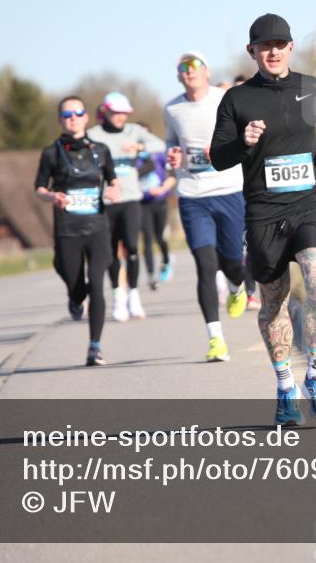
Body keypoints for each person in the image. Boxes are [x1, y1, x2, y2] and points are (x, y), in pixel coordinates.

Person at [210, 13, 316, 425]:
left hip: (310, 205)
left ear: (290, 47)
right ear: (252, 51)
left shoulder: (313, 88)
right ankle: (286, 387)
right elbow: (218, 157)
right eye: (264, 46)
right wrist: (243, 141)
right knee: (273, 302)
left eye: (279, 45)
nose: (273, 52)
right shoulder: (236, 99)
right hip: (264, 213)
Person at [164, 51, 249, 362]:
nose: (189, 70)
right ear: (179, 75)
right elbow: (171, 143)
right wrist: (173, 156)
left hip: (228, 189)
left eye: (194, 65)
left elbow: (245, 136)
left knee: (233, 263)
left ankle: (237, 287)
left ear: (207, 71)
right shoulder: (172, 108)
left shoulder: (224, 99)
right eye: (183, 66)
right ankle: (216, 339)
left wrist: (225, 147)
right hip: (192, 194)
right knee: (205, 263)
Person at [35, 96, 120, 366]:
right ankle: (75, 297)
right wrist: (52, 196)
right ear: (60, 120)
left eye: (77, 113)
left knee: (96, 283)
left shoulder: (101, 150)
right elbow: (39, 188)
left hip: (97, 228)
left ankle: (95, 346)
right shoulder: (51, 153)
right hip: (68, 229)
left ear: (86, 117)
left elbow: (113, 180)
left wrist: (114, 190)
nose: (72, 118)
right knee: (75, 282)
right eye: (67, 114)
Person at [87, 92, 167, 322]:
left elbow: (160, 145)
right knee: (111, 251)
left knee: (132, 247)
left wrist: (139, 147)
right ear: (105, 111)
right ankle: (118, 296)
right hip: (107, 200)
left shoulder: (134, 130)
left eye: (124, 113)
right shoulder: (94, 135)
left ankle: (133, 294)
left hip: (132, 198)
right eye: (115, 112)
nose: (120, 116)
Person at [138, 148, 176, 290]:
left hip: (160, 201)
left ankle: (166, 259)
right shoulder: (132, 159)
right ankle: (151, 276)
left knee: (159, 236)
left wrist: (162, 189)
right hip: (142, 203)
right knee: (147, 238)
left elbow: (172, 177)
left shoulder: (158, 154)